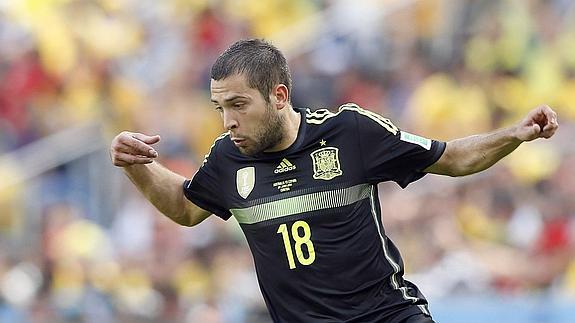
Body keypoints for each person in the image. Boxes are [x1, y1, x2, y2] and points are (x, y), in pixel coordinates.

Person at [110, 39, 559, 323]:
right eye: (220, 108)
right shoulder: (227, 159)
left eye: (239, 105)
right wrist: (137, 165)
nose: (227, 121)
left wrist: (514, 134)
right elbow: (186, 208)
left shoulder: (350, 132)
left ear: (279, 96)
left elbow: (452, 158)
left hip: (388, 316)